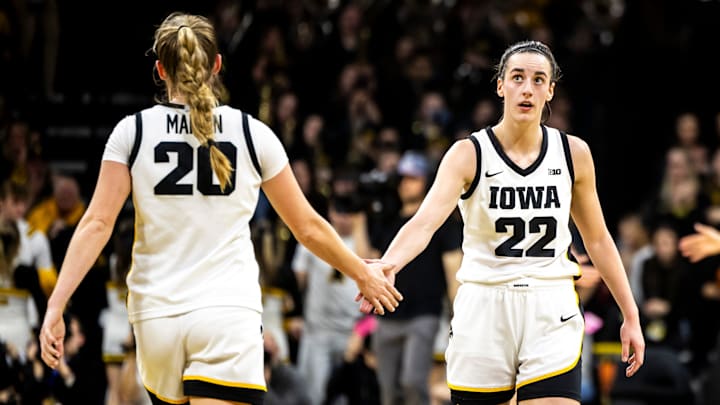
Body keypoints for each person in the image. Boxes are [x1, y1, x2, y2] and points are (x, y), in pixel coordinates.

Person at [38, 11, 402, 405]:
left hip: (157, 315)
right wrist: (361, 273)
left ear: (160, 70)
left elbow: (97, 224)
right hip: (226, 313)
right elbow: (308, 227)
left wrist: (56, 306)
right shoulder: (252, 132)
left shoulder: (133, 132)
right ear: (216, 65)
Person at [360, 40, 645, 404]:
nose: (528, 88)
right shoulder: (468, 154)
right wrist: (389, 263)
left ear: (550, 91)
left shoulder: (574, 153)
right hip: (484, 306)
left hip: (550, 305)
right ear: (500, 85)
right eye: (518, 77)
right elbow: (424, 223)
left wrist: (630, 313)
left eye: (539, 80)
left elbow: (600, 240)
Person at [369, 150, 463, 405]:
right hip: (387, 314)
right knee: (388, 391)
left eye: (413, 177)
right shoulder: (387, 221)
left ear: (426, 182)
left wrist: (459, 313)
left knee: (413, 382)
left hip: (424, 313)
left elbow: (453, 268)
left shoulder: (442, 222)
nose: (405, 183)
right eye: (402, 178)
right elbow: (370, 264)